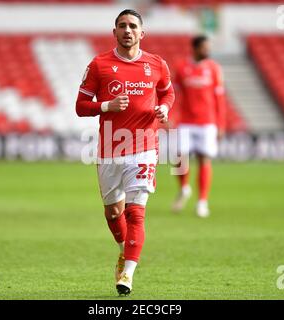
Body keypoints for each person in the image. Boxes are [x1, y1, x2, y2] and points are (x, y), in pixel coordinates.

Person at [75, 9, 175, 295]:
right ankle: (123, 250)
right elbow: (81, 107)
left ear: (142, 33)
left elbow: (168, 92)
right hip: (110, 151)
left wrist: (165, 108)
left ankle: (127, 275)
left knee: (136, 213)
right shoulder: (99, 65)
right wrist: (106, 105)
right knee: (113, 211)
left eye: (133, 26)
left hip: (144, 148)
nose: (127, 30)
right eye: (122, 26)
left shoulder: (157, 64)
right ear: (114, 32)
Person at [171, 35, 226, 218]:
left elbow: (219, 98)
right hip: (186, 121)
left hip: (207, 122)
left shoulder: (214, 69)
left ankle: (202, 201)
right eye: (204, 47)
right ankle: (184, 188)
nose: (207, 51)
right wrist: (171, 116)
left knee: (204, 159)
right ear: (194, 48)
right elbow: (174, 95)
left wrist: (221, 124)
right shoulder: (181, 68)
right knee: (179, 158)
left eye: (208, 47)